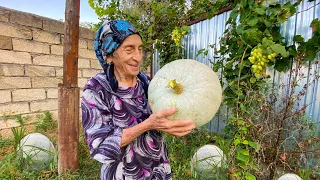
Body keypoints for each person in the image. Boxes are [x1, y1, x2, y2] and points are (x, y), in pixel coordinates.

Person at [81, 20, 196, 180]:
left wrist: (172, 123)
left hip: (157, 170)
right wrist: (148, 124)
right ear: (109, 55)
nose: (138, 57)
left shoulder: (147, 83)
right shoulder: (96, 89)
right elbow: (99, 145)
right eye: (129, 49)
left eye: (140, 49)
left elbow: (161, 118)